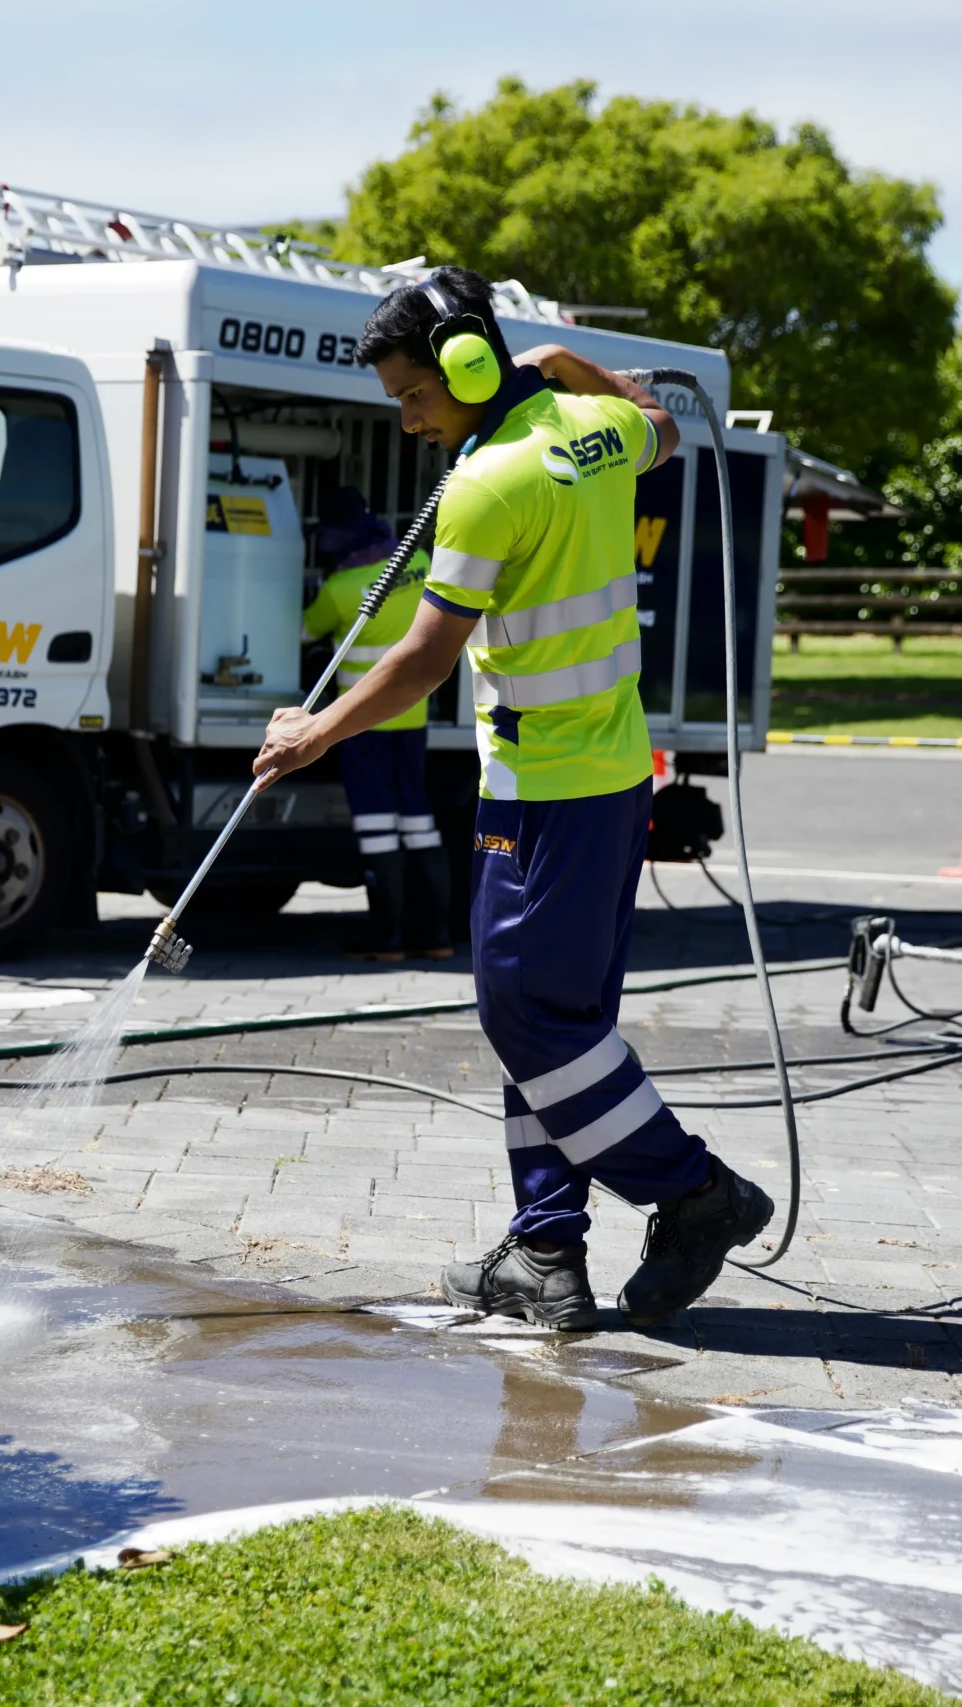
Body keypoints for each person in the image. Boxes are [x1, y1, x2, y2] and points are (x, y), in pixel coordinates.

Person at [254, 267, 774, 1331]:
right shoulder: (592, 429)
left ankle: (696, 1193)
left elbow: (422, 658)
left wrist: (316, 731)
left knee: (523, 1014)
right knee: (560, 1021)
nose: (408, 422)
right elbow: (661, 425)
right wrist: (567, 362)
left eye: (414, 395)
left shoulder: (486, 482)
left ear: (466, 366)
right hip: (611, 777)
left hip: (541, 793)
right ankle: (545, 1251)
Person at [303, 488, 452, 962]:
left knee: (376, 825)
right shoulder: (419, 561)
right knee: (419, 822)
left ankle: (386, 939)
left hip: (362, 723)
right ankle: (436, 936)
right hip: (414, 714)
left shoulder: (341, 589)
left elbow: (305, 631)